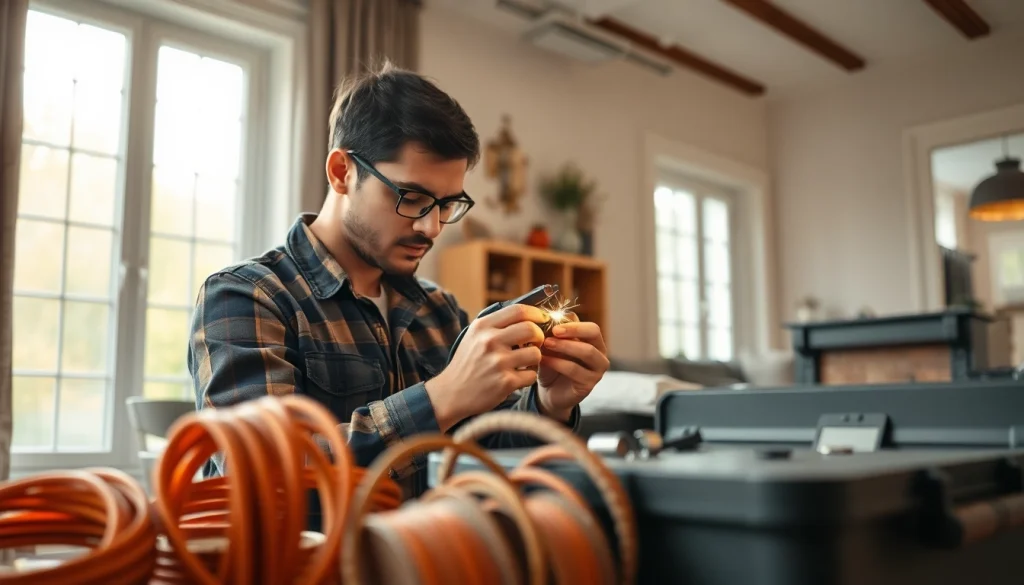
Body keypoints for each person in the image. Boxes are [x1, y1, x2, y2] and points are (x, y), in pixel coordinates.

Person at [186, 62, 610, 524]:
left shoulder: (439, 311)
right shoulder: (245, 298)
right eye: (411, 197)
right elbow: (265, 482)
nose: (431, 227)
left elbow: (482, 457)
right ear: (342, 171)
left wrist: (550, 404)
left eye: (448, 204)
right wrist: (440, 398)